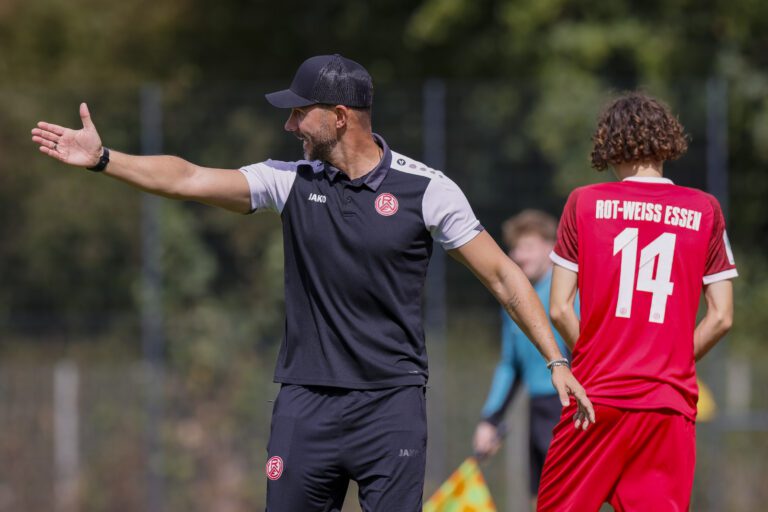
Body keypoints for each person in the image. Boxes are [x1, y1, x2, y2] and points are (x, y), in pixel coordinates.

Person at [31, 54, 594, 512]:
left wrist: (556, 360)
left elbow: (503, 276)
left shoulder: (430, 191)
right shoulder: (288, 182)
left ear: (340, 116)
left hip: (391, 405)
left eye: (300, 113)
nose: (289, 125)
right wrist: (105, 158)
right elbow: (189, 178)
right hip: (306, 405)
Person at [537, 91, 737, 511]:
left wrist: (598, 354)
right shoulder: (705, 210)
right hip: (667, 404)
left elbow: (558, 306)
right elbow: (720, 317)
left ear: (608, 143)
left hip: (595, 397)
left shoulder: (584, 202)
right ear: (668, 139)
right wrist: (670, 361)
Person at [472, 210, 574, 509]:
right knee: (539, 500)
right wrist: (490, 420)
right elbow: (510, 364)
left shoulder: (568, 291)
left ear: (551, 247)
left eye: (528, 247)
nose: (519, 255)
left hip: (568, 411)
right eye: (515, 248)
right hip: (537, 410)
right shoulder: (514, 299)